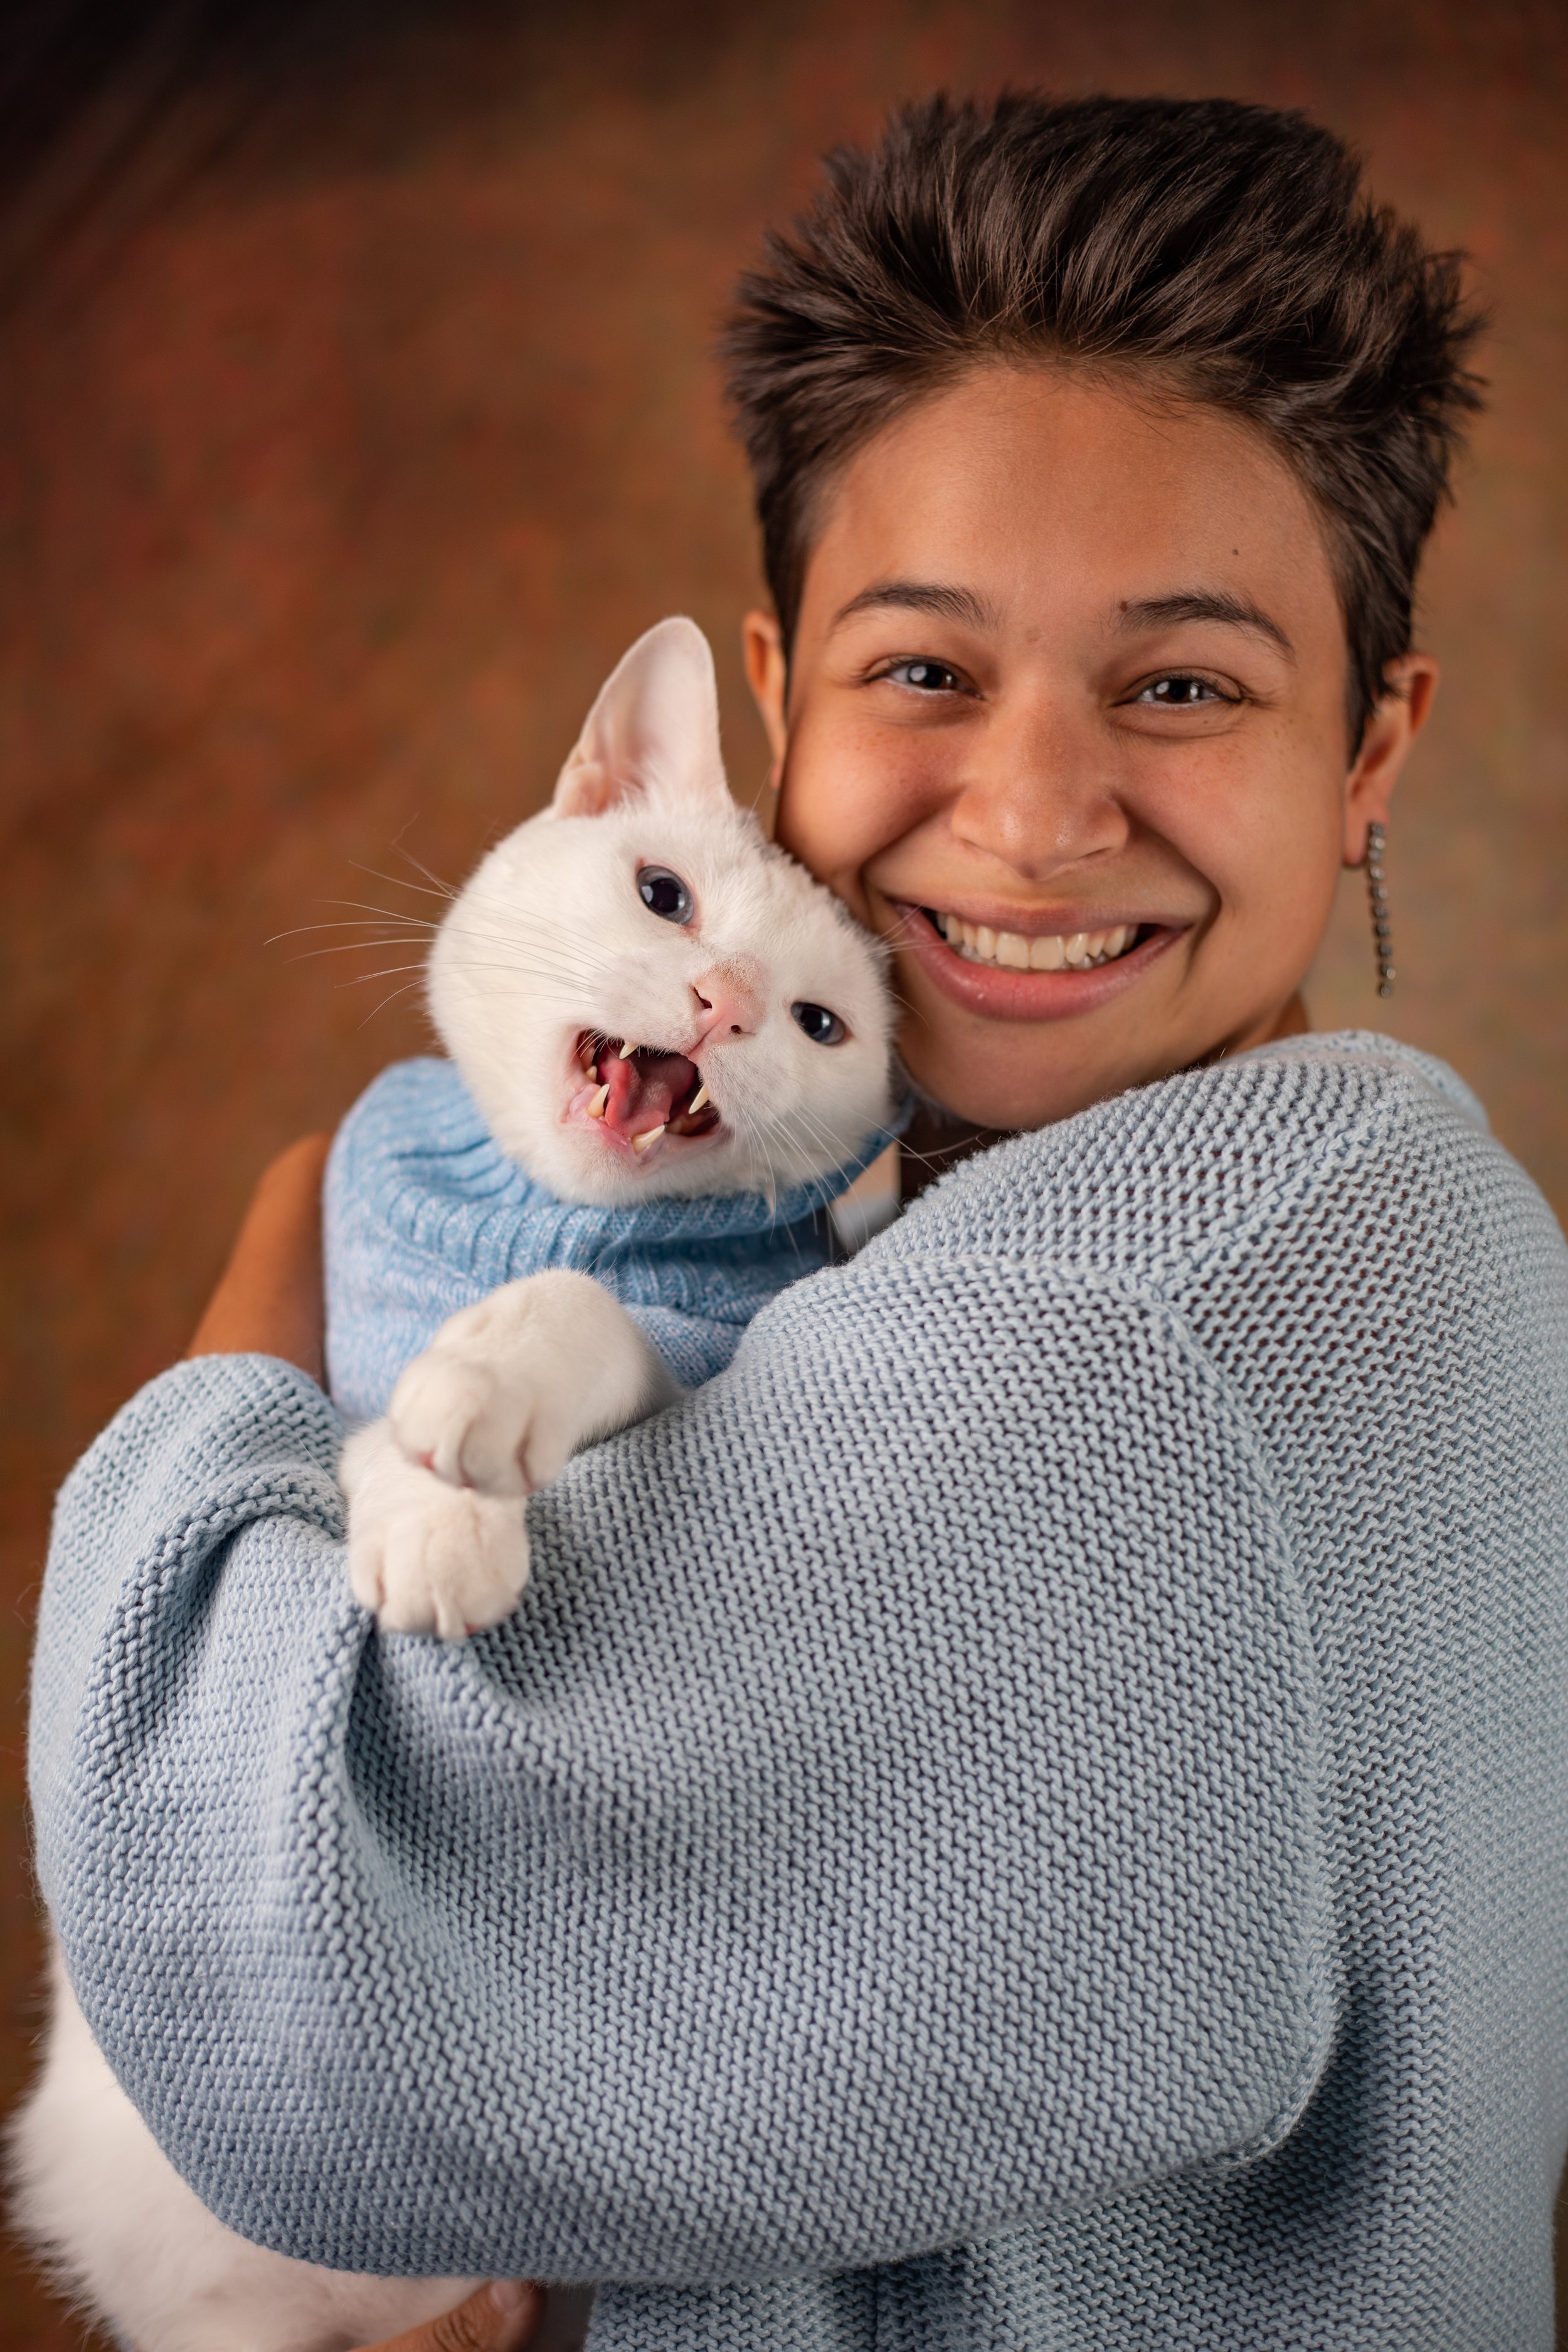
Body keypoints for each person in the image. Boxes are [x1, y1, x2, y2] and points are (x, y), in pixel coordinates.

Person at [28, 93, 1568, 2352]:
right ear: (773, 703)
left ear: (1368, 754)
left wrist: (286, 1254)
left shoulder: (1198, 1293)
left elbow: (252, 1953)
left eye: (1182, 685)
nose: (1032, 819)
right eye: (924, 671)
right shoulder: (972, 1229)